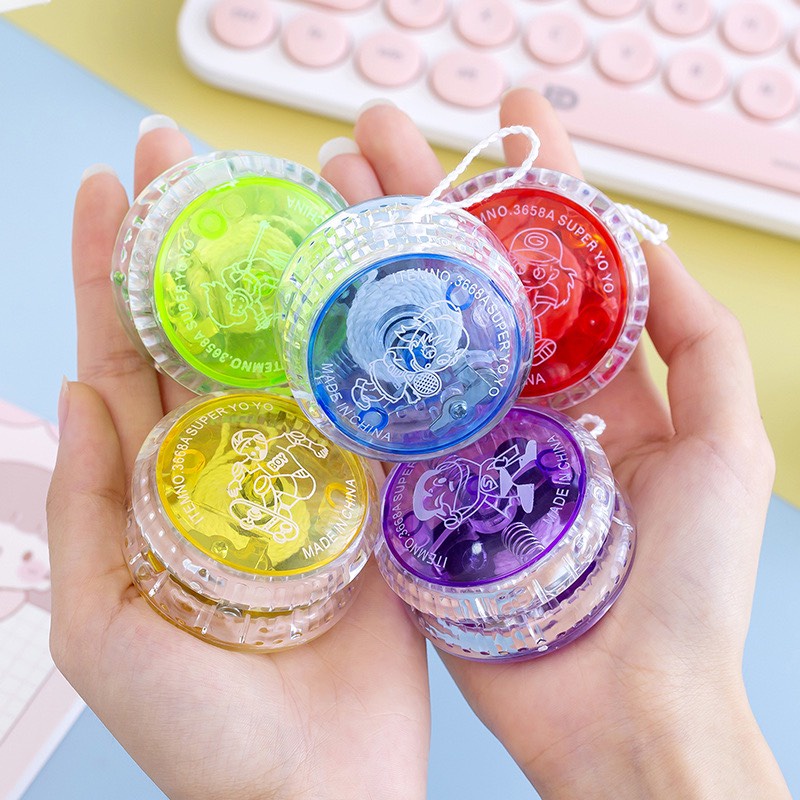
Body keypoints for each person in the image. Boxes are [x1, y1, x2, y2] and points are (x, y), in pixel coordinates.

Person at [47, 89, 790, 799]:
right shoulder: (346, 381)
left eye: (426, 340)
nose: (417, 354)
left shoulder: (479, 387)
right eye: (402, 343)